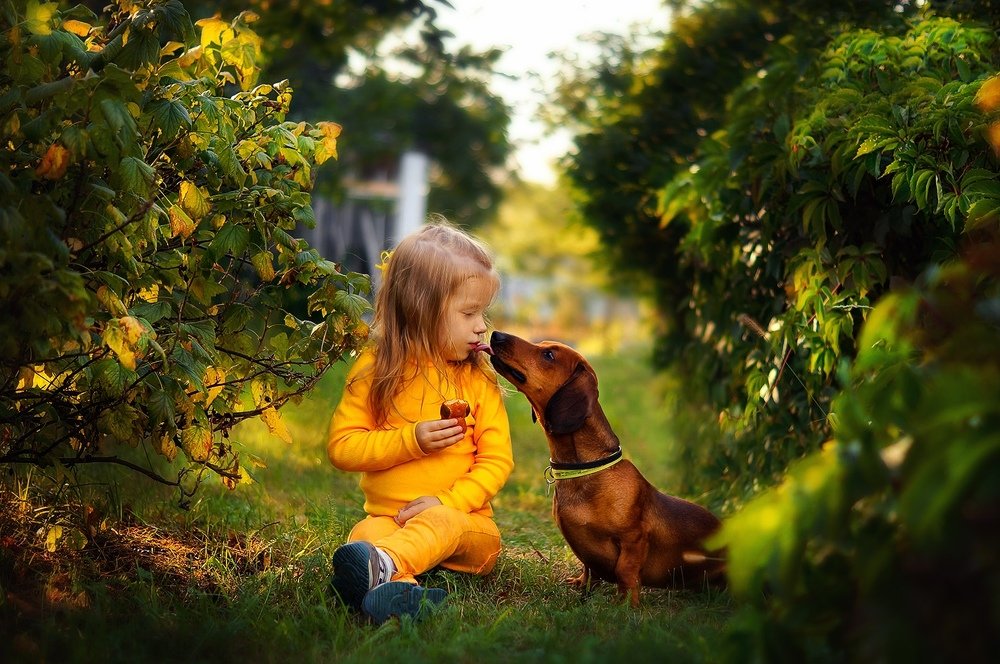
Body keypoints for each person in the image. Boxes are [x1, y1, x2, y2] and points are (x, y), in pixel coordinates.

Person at [326, 218, 514, 624]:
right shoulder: (376, 369)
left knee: (438, 523)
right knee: (362, 537)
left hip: (465, 526)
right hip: (390, 521)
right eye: (468, 312)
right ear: (421, 309)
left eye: (482, 312)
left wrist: (447, 502)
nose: (482, 325)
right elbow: (343, 447)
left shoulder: (477, 377)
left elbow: (497, 461)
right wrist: (410, 441)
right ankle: (406, 598)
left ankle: (385, 566)